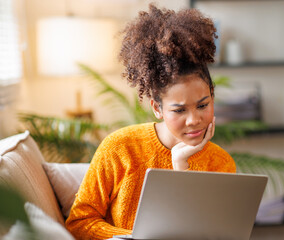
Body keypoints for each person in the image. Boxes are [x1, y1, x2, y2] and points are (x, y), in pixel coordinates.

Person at [65, 4, 236, 240]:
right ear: (157, 108)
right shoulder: (120, 148)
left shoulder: (220, 163)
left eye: (203, 105)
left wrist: (181, 165)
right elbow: (79, 222)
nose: (194, 120)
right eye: (179, 110)